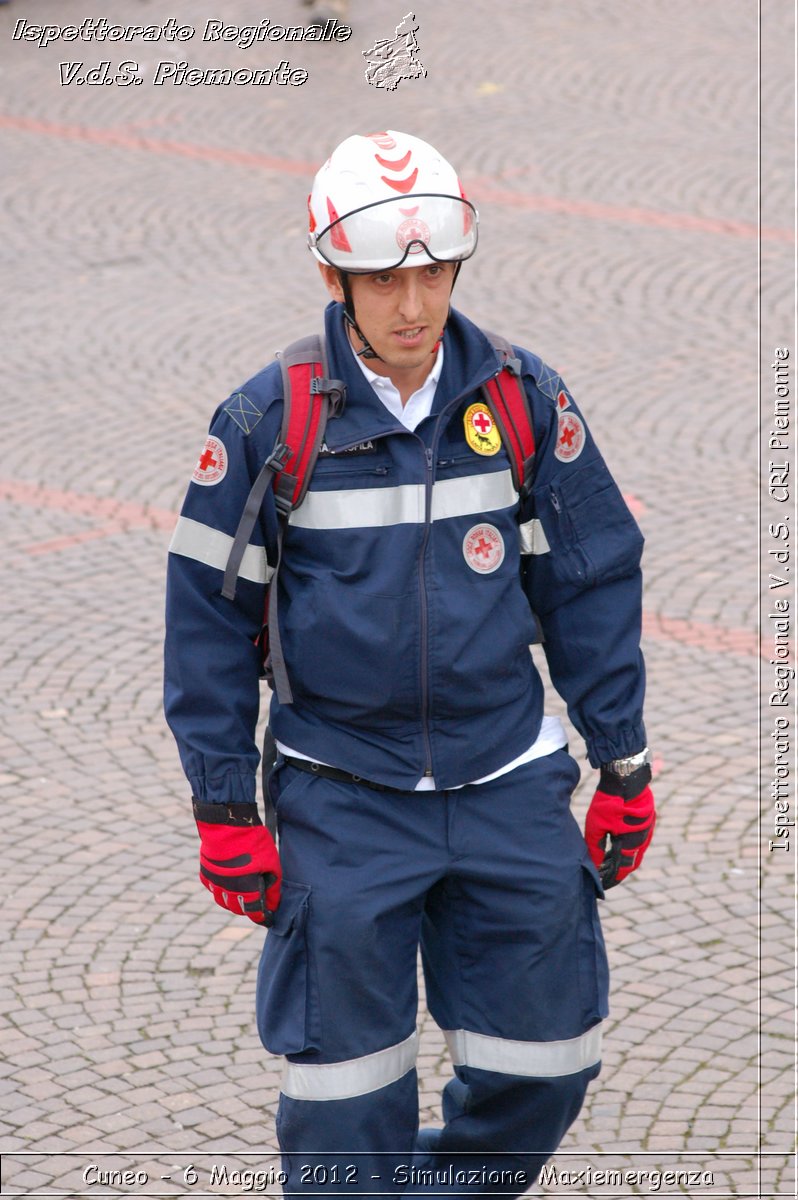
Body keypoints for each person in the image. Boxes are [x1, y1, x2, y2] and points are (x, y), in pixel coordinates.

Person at [164, 130, 656, 1196]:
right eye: (385, 278)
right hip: (341, 795)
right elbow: (207, 622)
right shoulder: (267, 422)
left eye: (431, 272)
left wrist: (622, 765)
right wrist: (223, 807)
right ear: (333, 275)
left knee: (549, 1066)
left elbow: (590, 582)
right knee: (345, 1114)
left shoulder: (525, 402)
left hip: (506, 777)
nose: (412, 304)